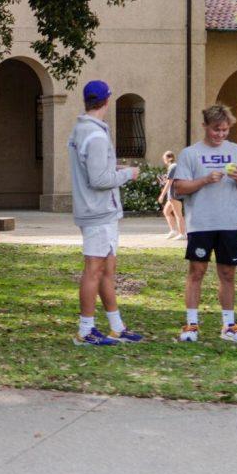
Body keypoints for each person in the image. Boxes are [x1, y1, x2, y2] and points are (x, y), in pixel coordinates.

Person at [67, 80, 144, 346]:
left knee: (107, 270)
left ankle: (116, 327)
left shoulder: (81, 130)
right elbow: (99, 180)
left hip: (98, 211)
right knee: (94, 271)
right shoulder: (96, 135)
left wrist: (114, 166)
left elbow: (92, 167)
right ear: (107, 101)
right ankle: (85, 331)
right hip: (98, 212)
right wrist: (127, 173)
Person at [170, 104, 237, 343]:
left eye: (225, 130)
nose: (220, 134)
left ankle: (229, 326)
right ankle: (191, 325)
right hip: (201, 223)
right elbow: (179, 187)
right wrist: (206, 179)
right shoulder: (190, 153)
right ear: (205, 126)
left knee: (228, 273)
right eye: (216, 129)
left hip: (230, 222)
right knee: (197, 271)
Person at [157, 150, 185, 240]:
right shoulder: (174, 167)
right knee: (166, 211)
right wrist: (164, 181)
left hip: (174, 194)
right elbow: (171, 180)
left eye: (165, 158)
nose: (164, 160)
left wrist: (162, 195)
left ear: (170, 158)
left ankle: (182, 234)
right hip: (174, 193)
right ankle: (173, 231)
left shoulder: (173, 167)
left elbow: (169, 183)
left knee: (178, 214)